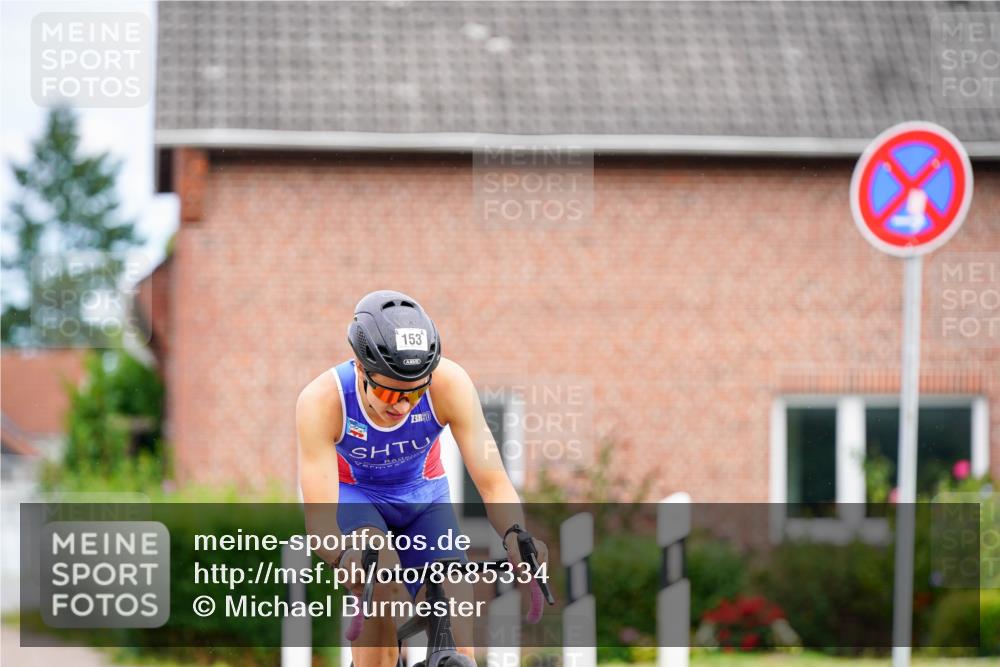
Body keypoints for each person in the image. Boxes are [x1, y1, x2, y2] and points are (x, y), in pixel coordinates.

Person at [296, 289, 547, 667]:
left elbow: (493, 481)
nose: (400, 405)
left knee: (459, 632)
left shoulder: (450, 383)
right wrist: (343, 555)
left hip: (424, 499)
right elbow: (319, 521)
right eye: (387, 391)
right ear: (360, 368)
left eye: (414, 395)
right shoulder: (321, 401)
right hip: (356, 499)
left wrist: (515, 533)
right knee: (379, 578)